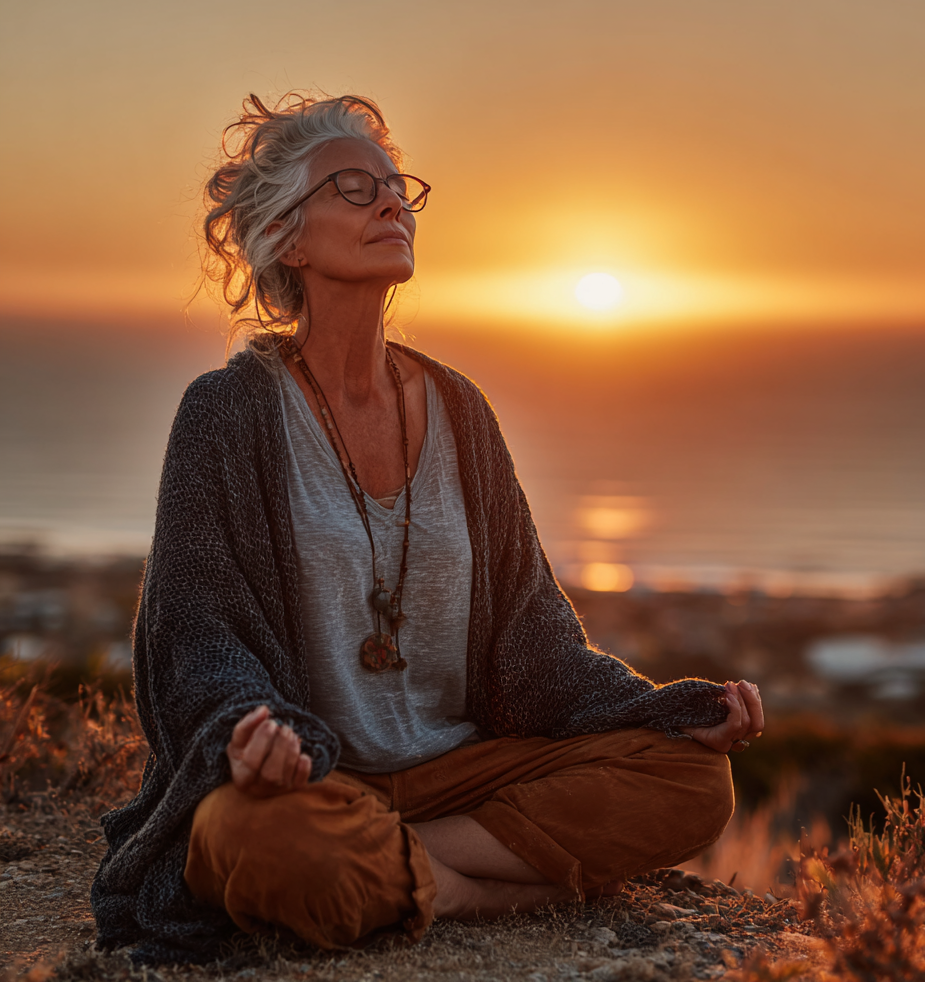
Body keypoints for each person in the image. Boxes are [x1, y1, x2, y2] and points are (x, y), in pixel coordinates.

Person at [92, 92, 765, 964]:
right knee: (248, 838)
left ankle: (411, 881)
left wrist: (655, 707)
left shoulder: (459, 410)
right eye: (352, 188)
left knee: (693, 780)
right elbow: (197, 631)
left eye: (396, 188)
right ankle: (489, 880)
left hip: (461, 772)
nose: (390, 204)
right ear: (288, 238)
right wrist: (245, 732)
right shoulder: (227, 413)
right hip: (314, 781)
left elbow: (533, 636)